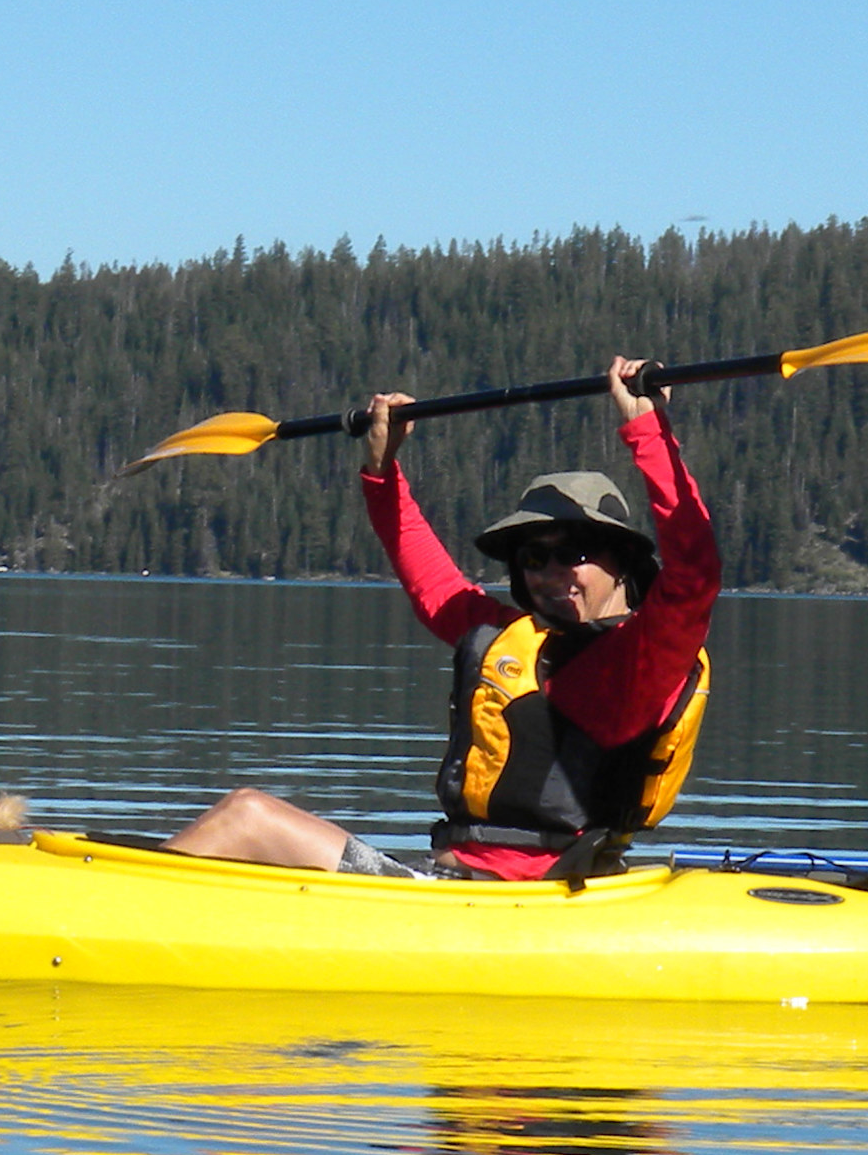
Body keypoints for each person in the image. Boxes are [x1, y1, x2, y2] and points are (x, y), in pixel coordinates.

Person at [165, 354, 721, 878]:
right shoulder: (517, 640)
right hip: (458, 884)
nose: (552, 574)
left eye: (574, 553)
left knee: (248, 818)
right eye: (534, 557)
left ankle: (105, 916)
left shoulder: (643, 659)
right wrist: (383, 472)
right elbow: (434, 587)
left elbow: (695, 572)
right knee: (248, 819)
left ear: (621, 561)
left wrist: (648, 429)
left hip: (530, 900)